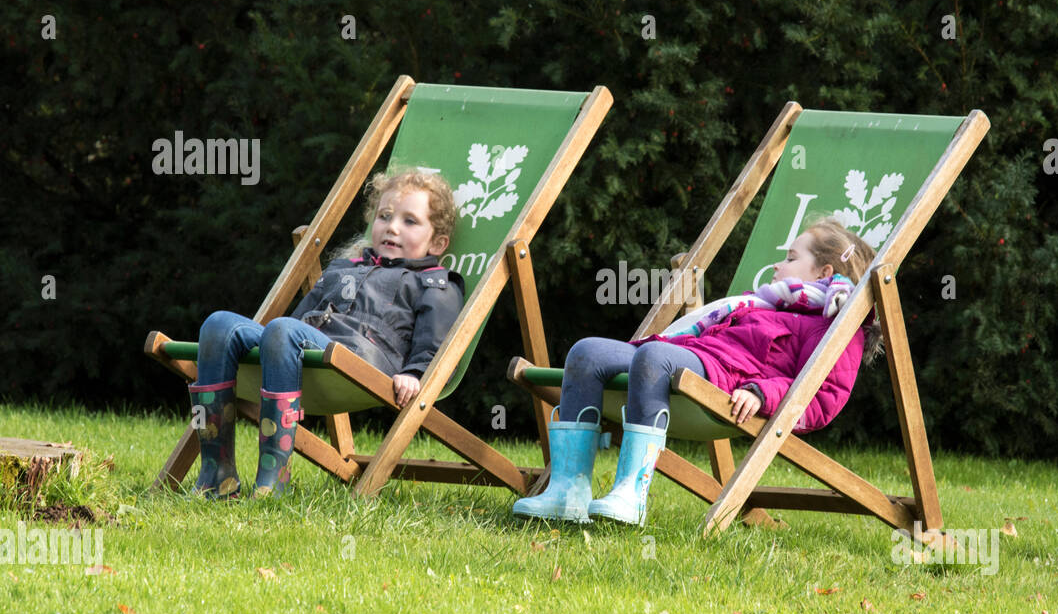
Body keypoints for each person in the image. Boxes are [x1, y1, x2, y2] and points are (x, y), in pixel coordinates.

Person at [513, 216, 882, 527]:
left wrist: (760, 393)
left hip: (722, 381)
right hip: (687, 357)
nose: (777, 266)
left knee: (657, 355)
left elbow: (822, 397)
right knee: (586, 352)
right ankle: (567, 490)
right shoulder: (760, 305)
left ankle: (630, 493)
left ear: (824, 271)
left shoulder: (834, 326)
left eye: (790, 258)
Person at [187, 168, 465, 500]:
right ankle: (217, 475)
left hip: (365, 359)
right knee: (218, 325)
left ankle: (272, 482)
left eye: (410, 221)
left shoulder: (435, 283)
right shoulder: (344, 267)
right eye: (384, 216)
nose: (392, 226)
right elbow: (297, 322)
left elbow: (434, 338)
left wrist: (416, 373)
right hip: (311, 349)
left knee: (283, 329)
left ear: (438, 242)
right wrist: (278, 347)